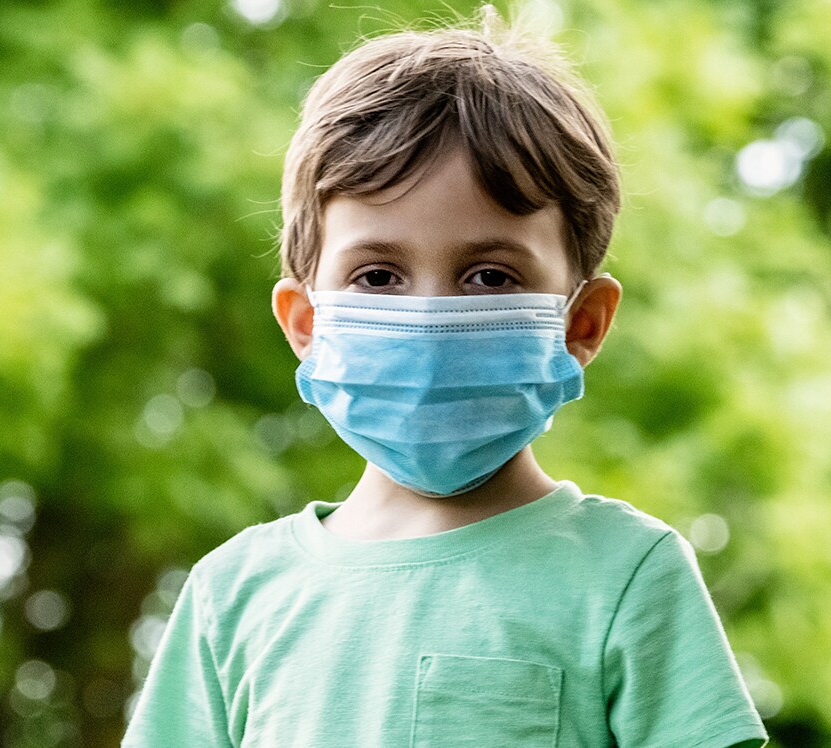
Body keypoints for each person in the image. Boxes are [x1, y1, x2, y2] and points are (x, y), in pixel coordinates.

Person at [124, 9, 768, 748]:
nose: (429, 318)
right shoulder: (229, 598)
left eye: (490, 276)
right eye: (378, 276)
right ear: (306, 322)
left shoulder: (629, 578)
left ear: (580, 323)